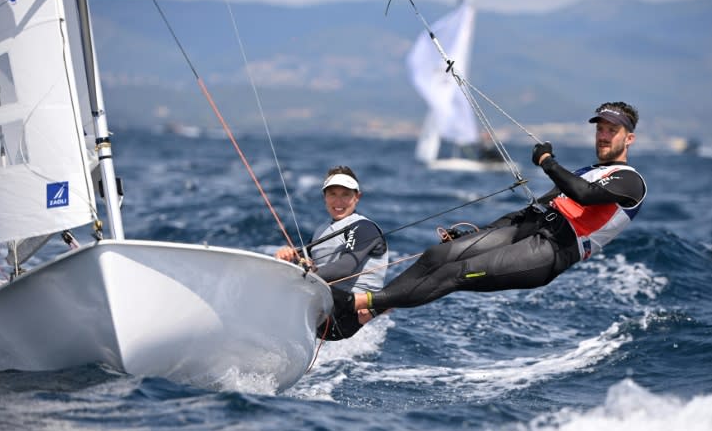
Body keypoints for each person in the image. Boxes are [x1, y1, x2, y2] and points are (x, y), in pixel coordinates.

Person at [337, 101, 647, 323]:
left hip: (551, 250)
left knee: (454, 273)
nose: (603, 135)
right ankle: (371, 312)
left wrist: (547, 162)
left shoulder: (631, 181)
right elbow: (534, 209)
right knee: (438, 256)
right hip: (529, 227)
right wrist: (479, 233)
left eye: (612, 130)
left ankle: (355, 303)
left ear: (628, 138)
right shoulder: (588, 170)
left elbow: (584, 195)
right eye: (601, 129)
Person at [275, 165, 388, 340]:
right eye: (332, 194)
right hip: (322, 312)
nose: (338, 201)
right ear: (325, 197)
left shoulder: (363, 227)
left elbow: (345, 267)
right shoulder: (322, 230)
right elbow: (306, 263)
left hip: (345, 317)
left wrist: (303, 275)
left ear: (357, 197)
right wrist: (289, 257)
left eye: (345, 194)